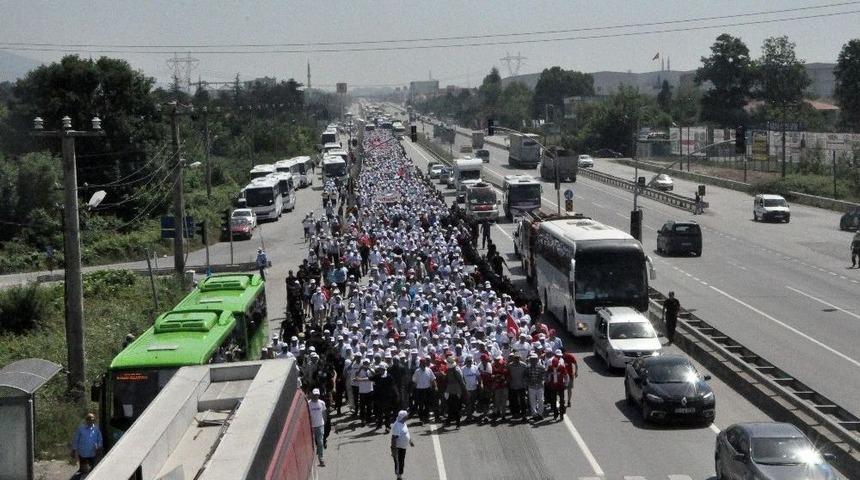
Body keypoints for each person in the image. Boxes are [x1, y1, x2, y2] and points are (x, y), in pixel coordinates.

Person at [390, 410, 414, 480]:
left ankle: (400, 475)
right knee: (398, 463)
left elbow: (406, 432)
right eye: (406, 415)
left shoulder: (403, 423)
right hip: (398, 448)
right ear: (403, 417)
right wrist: (394, 450)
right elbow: (394, 439)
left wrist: (410, 441)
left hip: (403, 447)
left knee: (401, 462)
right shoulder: (396, 426)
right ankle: (399, 477)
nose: (407, 416)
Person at [308, 388, 327, 466]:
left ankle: (321, 458)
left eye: (317, 395)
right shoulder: (308, 403)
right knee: (312, 443)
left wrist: (324, 422)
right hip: (311, 427)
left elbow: (324, 413)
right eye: (314, 394)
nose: (316, 396)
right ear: (312, 394)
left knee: (320, 442)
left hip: (320, 425)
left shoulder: (322, 403)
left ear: (319, 395)